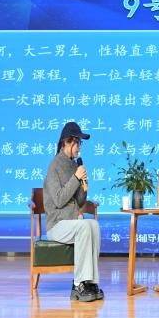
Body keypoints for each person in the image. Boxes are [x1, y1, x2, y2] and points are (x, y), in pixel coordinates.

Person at [43, 121, 103, 302]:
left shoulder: (73, 165)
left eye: (80, 143)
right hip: (57, 225)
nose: (79, 148)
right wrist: (76, 178)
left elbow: (79, 202)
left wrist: (84, 186)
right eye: (77, 143)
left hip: (71, 222)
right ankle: (78, 285)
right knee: (84, 227)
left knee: (93, 225)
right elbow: (59, 200)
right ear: (66, 142)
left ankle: (90, 283)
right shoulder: (54, 166)